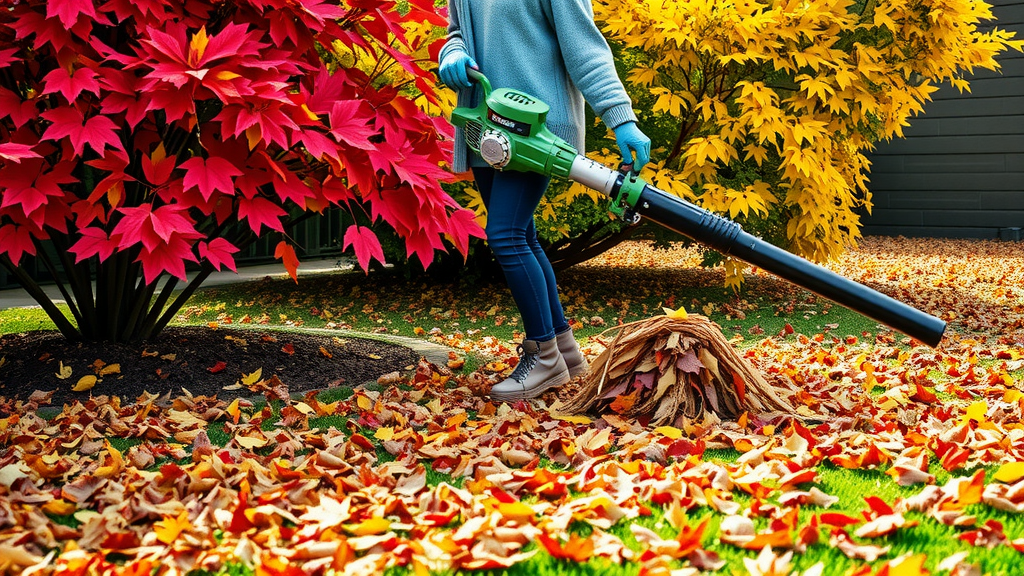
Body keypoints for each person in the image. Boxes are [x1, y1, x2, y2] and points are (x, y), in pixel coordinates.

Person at [437, 0, 651, 401]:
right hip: (485, 122)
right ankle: (565, 352)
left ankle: (543, 355)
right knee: (522, 236)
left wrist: (621, 118)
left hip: (535, 130)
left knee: (505, 236)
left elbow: (584, 48)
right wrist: (452, 53)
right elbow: (457, 32)